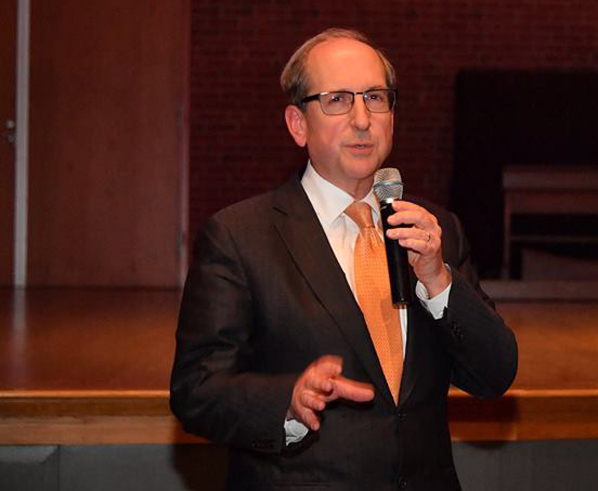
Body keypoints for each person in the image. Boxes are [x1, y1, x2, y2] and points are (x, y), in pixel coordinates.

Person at [170, 28, 518, 491]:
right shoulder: (240, 237)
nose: (361, 119)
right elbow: (197, 391)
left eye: (375, 97)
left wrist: (439, 281)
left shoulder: (436, 232)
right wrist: (288, 402)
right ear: (298, 124)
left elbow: (494, 374)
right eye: (337, 100)